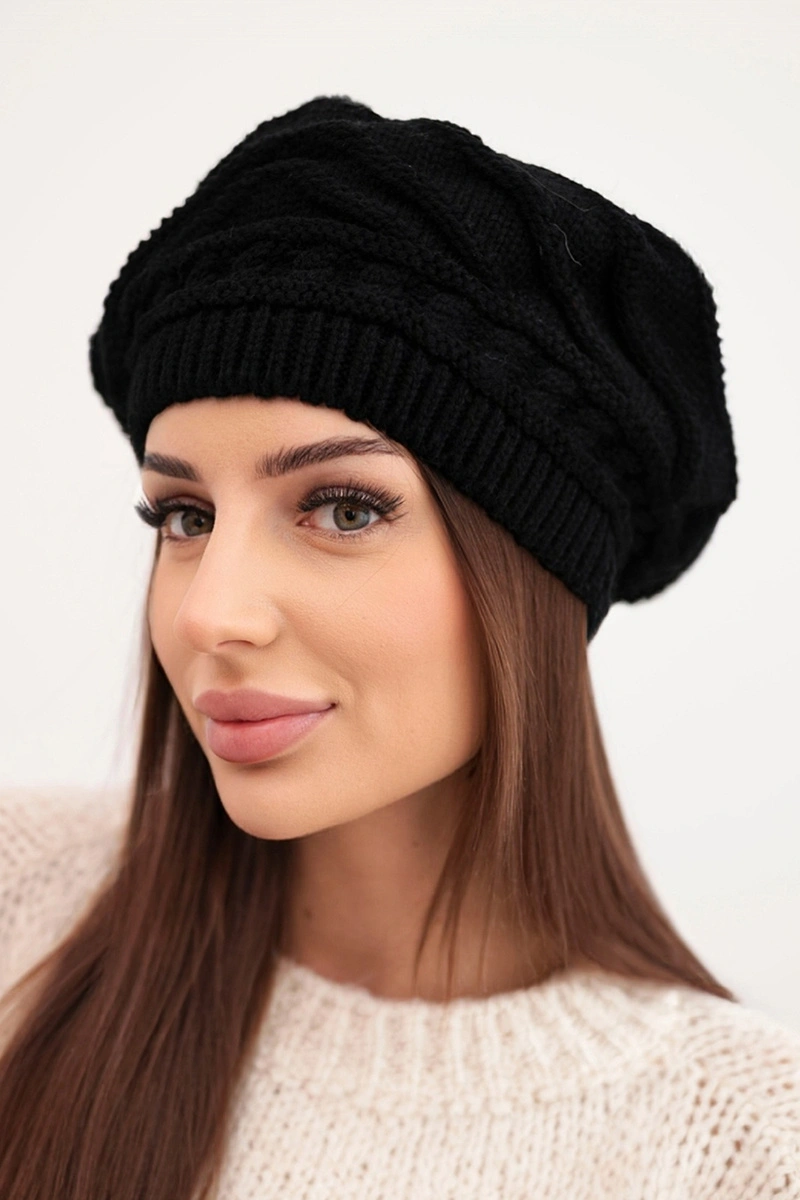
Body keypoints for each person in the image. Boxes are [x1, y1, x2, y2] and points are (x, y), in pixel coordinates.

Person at [0, 94, 797, 1200]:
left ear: (531, 574)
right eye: (184, 517)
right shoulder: (23, 904)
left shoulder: (737, 1141)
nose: (207, 615)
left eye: (342, 508)